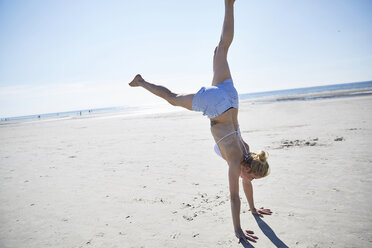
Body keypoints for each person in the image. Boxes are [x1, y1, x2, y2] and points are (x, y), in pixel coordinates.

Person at [129, 0, 272, 244]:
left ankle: (229, 4)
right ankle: (141, 81)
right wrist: (238, 231)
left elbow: (246, 184)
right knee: (173, 98)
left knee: (222, 48)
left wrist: (253, 209)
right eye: (253, 177)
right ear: (248, 168)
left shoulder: (248, 153)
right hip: (216, 105)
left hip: (231, 99)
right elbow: (234, 196)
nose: (250, 179)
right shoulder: (237, 161)